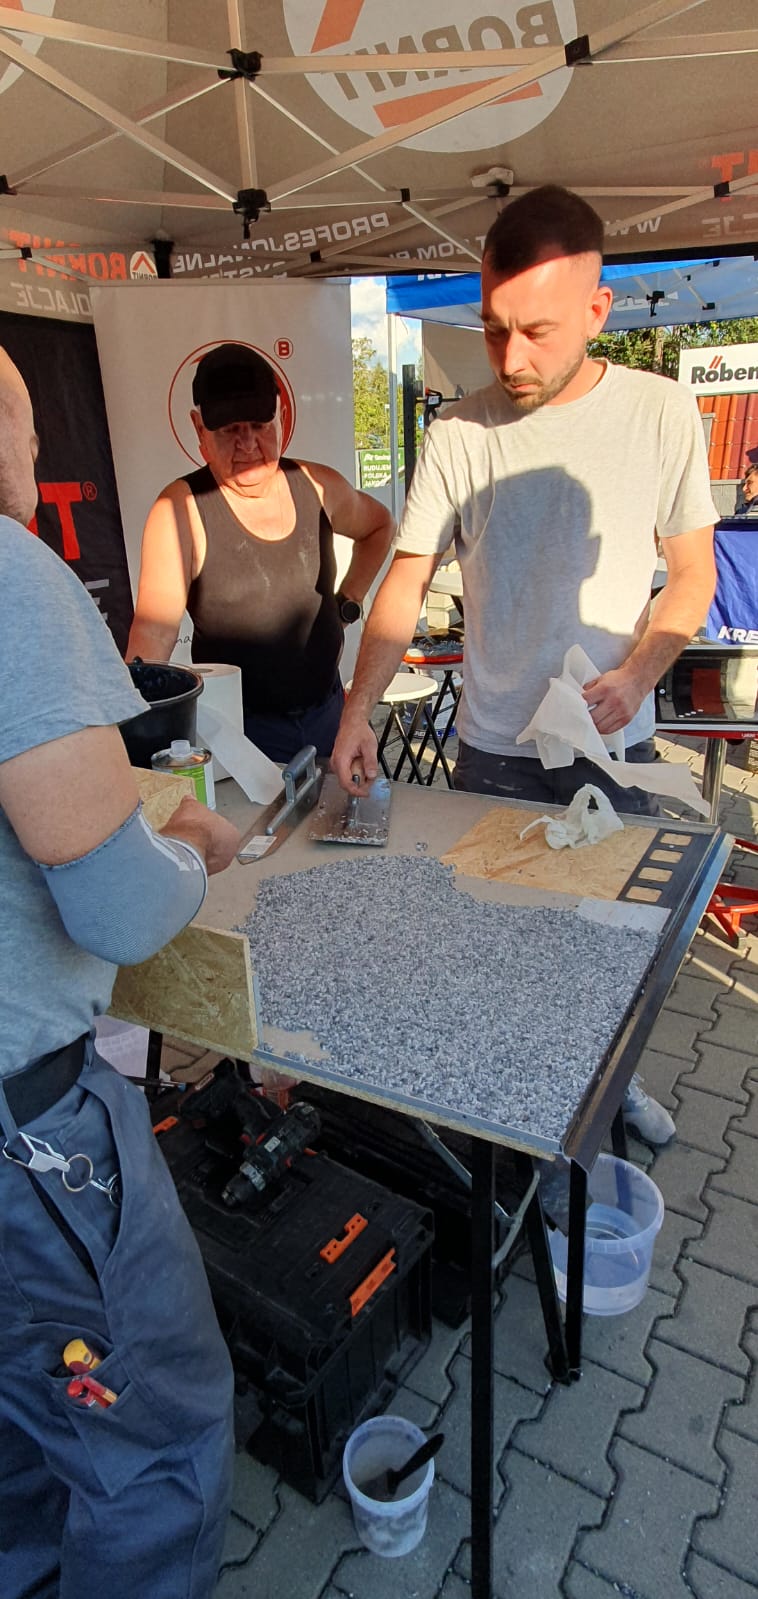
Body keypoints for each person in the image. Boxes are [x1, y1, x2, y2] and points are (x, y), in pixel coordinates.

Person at [332, 185, 719, 1148]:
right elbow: (405, 580)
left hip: (611, 741)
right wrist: (357, 710)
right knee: (498, 947)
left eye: (536, 332)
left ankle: (613, 1086)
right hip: (495, 749)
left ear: (598, 309)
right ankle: (511, 1124)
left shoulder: (661, 411)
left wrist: (640, 671)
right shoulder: (457, 433)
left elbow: (693, 575)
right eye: (494, 328)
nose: (510, 359)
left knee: (609, 947)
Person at [0, 347, 243, 1598]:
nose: (36, 465)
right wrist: (190, 851)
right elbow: (118, 906)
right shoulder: (8, 575)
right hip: (28, 1145)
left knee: (24, 1401)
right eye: (27, 436)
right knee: (150, 1424)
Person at [127, 342, 395, 762]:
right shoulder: (180, 509)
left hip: (328, 715)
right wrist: (132, 733)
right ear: (199, 430)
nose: (248, 443)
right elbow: (154, 633)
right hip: (238, 735)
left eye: (259, 424)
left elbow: (379, 526)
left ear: (281, 417)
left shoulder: (319, 486)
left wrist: (348, 602)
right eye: (229, 430)